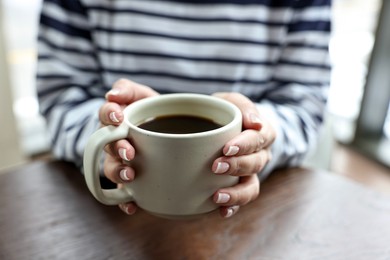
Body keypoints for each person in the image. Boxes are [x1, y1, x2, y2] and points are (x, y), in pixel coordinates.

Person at [36, 0, 331, 218]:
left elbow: (303, 107)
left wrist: (258, 139)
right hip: (113, 222)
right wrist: (110, 141)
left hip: (256, 216)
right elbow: (61, 101)